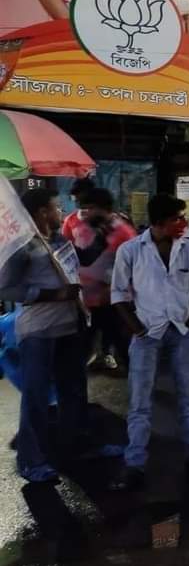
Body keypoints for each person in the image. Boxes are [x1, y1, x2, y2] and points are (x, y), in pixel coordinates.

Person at [109, 194, 189, 490]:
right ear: (159, 222)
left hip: (182, 333)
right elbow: (119, 294)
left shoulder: (188, 250)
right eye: (177, 218)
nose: (184, 224)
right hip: (147, 334)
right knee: (140, 403)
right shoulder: (131, 250)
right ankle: (134, 463)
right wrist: (136, 328)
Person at [0, 189, 84, 483]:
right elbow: (6, 289)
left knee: (72, 392)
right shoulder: (23, 248)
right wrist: (52, 294)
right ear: (40, 213)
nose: (60, 211)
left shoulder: (59, 241)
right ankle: (31, 461)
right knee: (36, 397)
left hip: (69, 327)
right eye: (55, 207)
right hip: (38, 332)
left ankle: (71, 450)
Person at [69, 187, 136, 372]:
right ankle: (77, 397)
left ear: (103, 208)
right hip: (86, 302)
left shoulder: (123, 232)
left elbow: (134, 267)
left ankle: (141, 391)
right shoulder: (83, 228)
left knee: (125, 347)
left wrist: (113, 286)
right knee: (79, 352)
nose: (85, 213)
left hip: (114, 303)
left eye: (90, 208)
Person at [61, 177, 95, 242]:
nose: (77, 200)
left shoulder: (106, 217)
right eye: (75, 197)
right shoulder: (70, 220)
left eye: (81, 197)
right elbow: (66, 247)